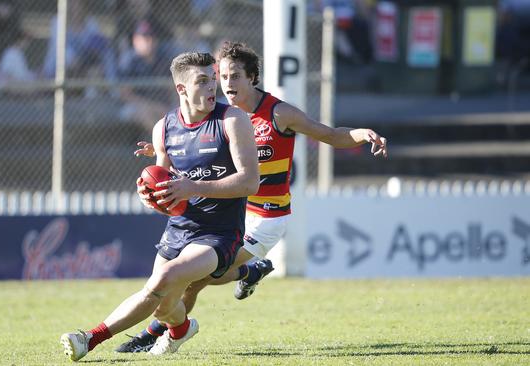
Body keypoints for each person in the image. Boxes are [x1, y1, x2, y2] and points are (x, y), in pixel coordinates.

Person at [117, 41, 388, 353]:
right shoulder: (216, 117)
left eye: (235, 76)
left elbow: (329, 134)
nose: (227, 83)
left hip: (266, 217)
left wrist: (361, 134)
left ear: (252, 78)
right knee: (196, 274)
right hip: (232, 213)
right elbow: (197, 147)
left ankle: (154, 334)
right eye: (222, 76)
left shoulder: (278, 113)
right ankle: (247, 273)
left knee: (200, 278)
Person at [59, 51, 258, 361]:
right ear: (181, 89)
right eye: (202, 81)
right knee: (166, 306)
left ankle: (88, 339)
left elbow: (249, 182)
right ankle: (180, 330)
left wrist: (192, 187)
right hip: (179, 228)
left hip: (219, 233)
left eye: (213, 79)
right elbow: (164, 186)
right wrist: (151, 195)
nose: (212, 88)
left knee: (163, 281)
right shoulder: (164, 128)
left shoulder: (232, 119)